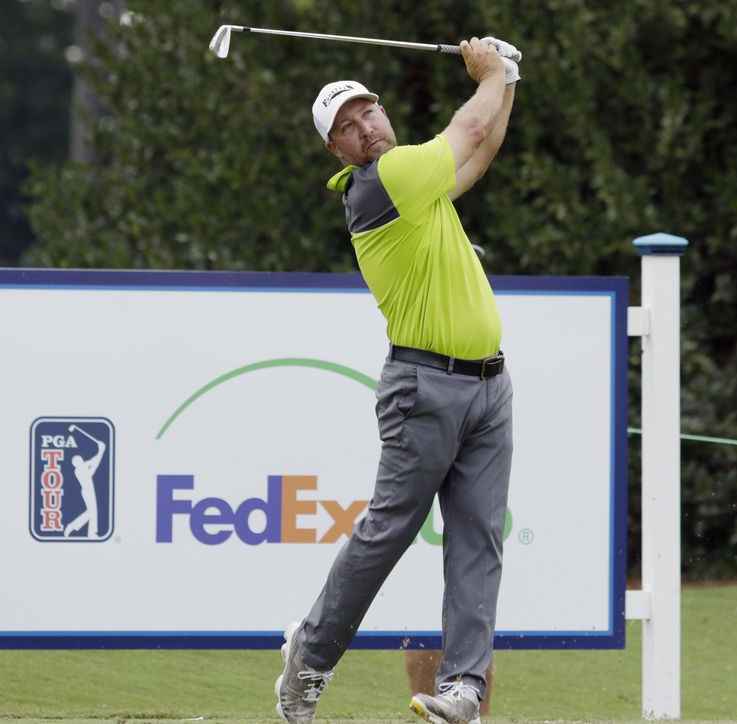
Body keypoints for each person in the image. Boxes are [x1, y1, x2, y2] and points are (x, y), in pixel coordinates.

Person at [275, 36, 519, 724]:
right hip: (424, 388)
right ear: (338, 152)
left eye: (367, 113)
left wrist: (511, 80)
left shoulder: (418, 180)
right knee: (387, 533)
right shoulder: (383, 181)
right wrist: (492, 72)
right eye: (345, 128)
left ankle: (464, 688)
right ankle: (311, 657)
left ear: (383, 112)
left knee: (478, 538)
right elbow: (469, 125)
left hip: (488, 388)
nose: (363, 129)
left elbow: (482, 149)